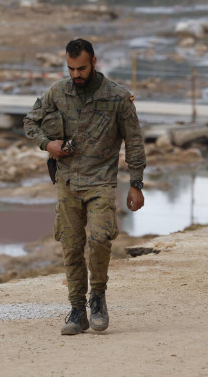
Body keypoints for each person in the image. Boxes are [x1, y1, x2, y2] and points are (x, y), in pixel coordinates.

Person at [23, 38, 146, 335]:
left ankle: (98, 298)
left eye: (81, 68)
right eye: (71, 68)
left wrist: (136, 184)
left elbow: (134, 140)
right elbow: (30, 122)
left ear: (94, 62)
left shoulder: (116, 97)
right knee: (71, 246)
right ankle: (77, 310)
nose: (76, 74)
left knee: (101, 239)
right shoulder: (57, 92)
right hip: (67, 182)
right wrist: (47, 144)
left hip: (102, 181)